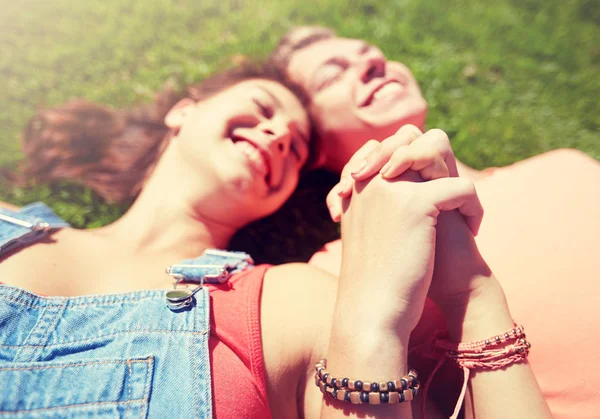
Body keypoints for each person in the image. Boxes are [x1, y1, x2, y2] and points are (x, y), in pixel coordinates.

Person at [0, 62, 552, 418]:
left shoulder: (290, 305)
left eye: (292, 148)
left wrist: (468, 296)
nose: (276, 134)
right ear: (184, 110)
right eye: (263, 109)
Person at [269, 26, 600, 419]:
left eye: (369, 52)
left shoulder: (564, 165)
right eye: (331, 75)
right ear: (312, 145)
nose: (371, 62)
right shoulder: (342, 274)